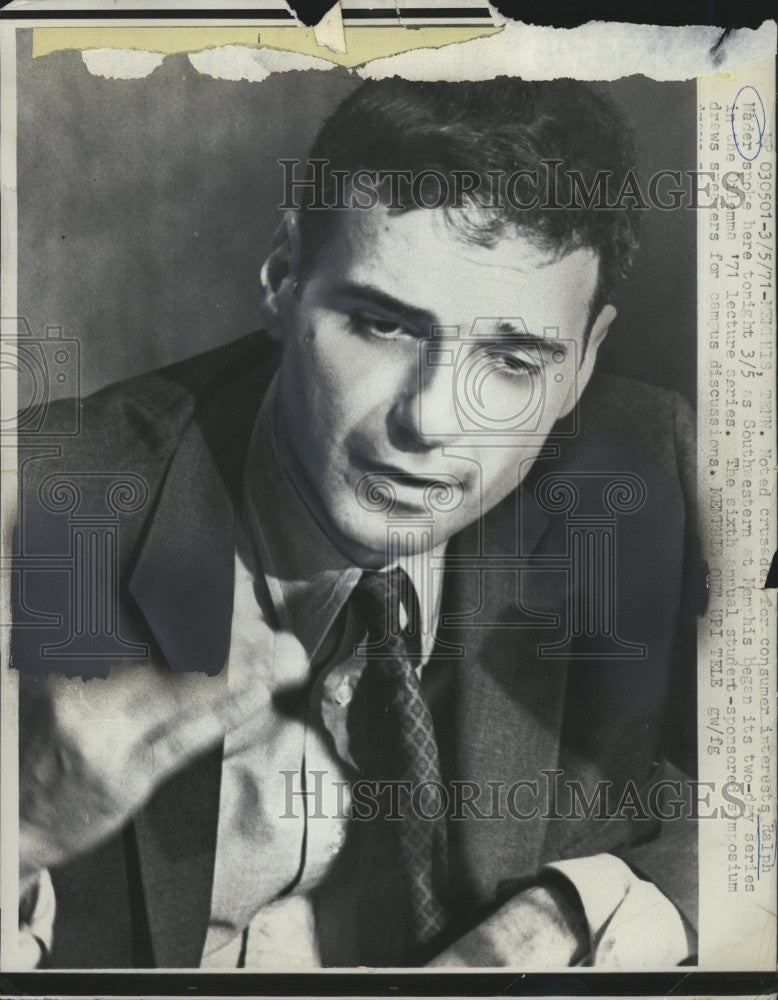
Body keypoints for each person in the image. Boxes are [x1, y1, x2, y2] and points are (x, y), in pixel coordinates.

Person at [13, 77, 704, 969]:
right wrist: (20, 832)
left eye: (512, 359)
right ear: (282, 277)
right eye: (382, 325)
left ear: (584, 362)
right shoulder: (42, 510)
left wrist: (574, 912)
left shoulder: (650, 470)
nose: (431, 421)